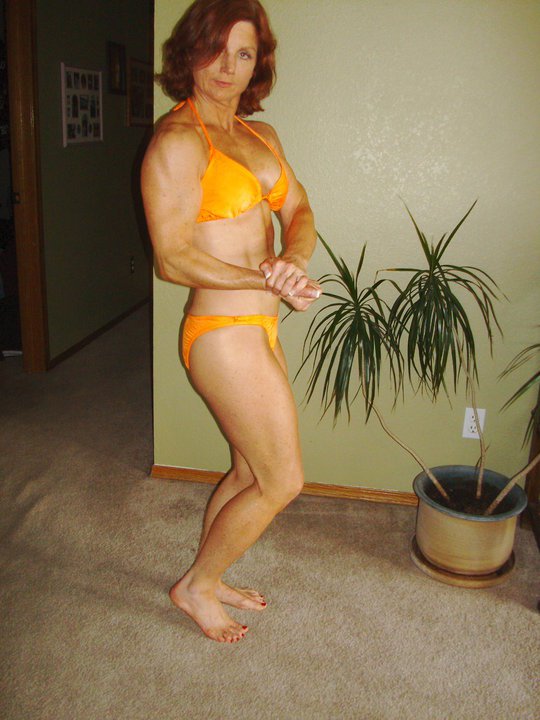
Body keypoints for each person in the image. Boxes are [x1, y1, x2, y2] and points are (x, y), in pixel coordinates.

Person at [141, 0, 321, 643]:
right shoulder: (176, 141)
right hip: (220, 334)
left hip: (261, 327)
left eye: (243, 53)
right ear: (190, 52)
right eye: (215, 49)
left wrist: (292, 263)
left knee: (248, 471)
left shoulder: (260, 136)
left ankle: (209, 577)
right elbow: (172, 258)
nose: (227, 66)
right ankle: (195, 587)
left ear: (257, 64)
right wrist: (265, 279)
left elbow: (298, 210)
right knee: (282, 481)